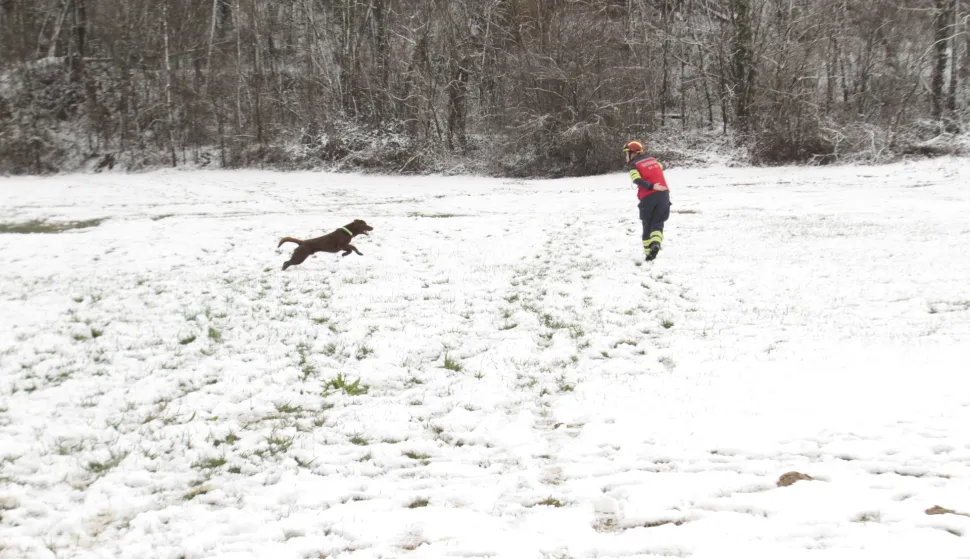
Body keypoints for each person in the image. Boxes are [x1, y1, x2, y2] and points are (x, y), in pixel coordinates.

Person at [624, 140, 670, 262]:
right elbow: (662, 166)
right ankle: (655, 243)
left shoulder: (634, 165)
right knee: (658, 224)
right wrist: (665, 164)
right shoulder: (653, 160)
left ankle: (648, 254)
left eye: (627, 153)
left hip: (648, 197)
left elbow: (636, 180)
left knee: (647, 225)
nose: (626, 157)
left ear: (633, 153)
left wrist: (651, 186)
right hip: (664, 196)